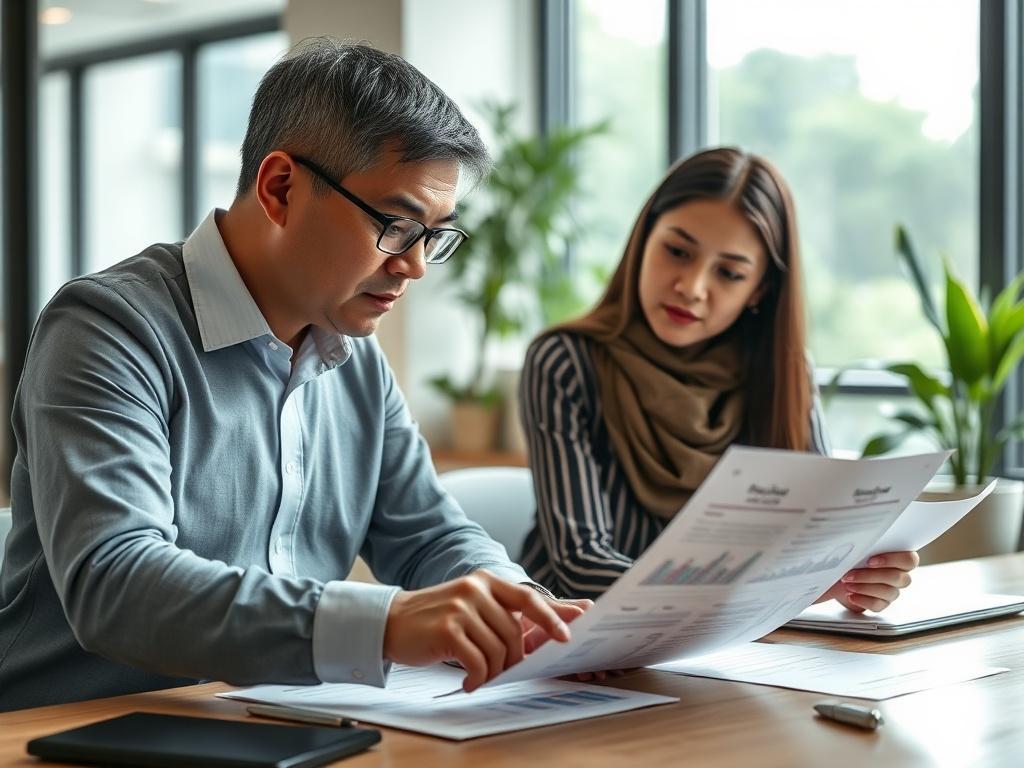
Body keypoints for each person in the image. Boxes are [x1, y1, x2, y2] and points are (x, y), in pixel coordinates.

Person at [0, 39, 586, 713]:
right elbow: (117, 582)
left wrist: (515, 608)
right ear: (280, 188)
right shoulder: (108, 328)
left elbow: (429, 535)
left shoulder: (353, 357)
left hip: (269, 723)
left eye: (434, 236)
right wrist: (386, 624)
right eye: (396, 226)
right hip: (65, 733)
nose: (415, 266)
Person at [519, 147, 918, 609]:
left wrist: (855, 577)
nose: (691, 286)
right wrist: (762, 594)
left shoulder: (785, 373)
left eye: (728, 272)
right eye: (677, 251)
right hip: (570, 640)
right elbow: (582, 564)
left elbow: (818, 540)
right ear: (642, 240)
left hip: (730, 646)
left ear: (759, 290)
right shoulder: (566, 361)